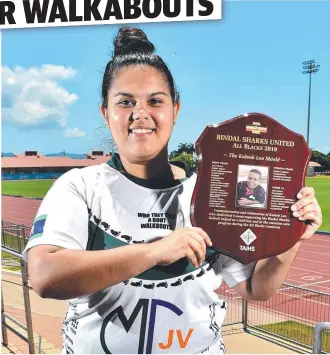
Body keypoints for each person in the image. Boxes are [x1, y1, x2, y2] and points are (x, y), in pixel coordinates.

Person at [23, 27, 322, 354]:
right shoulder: (79, 186)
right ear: (105, 112)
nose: (141, 113)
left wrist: (290, 238)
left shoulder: (211, 192)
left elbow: (256, 288)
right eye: (125, 102)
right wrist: (154, 251)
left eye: (155, 100)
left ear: (175, 110)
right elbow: (45, 276)